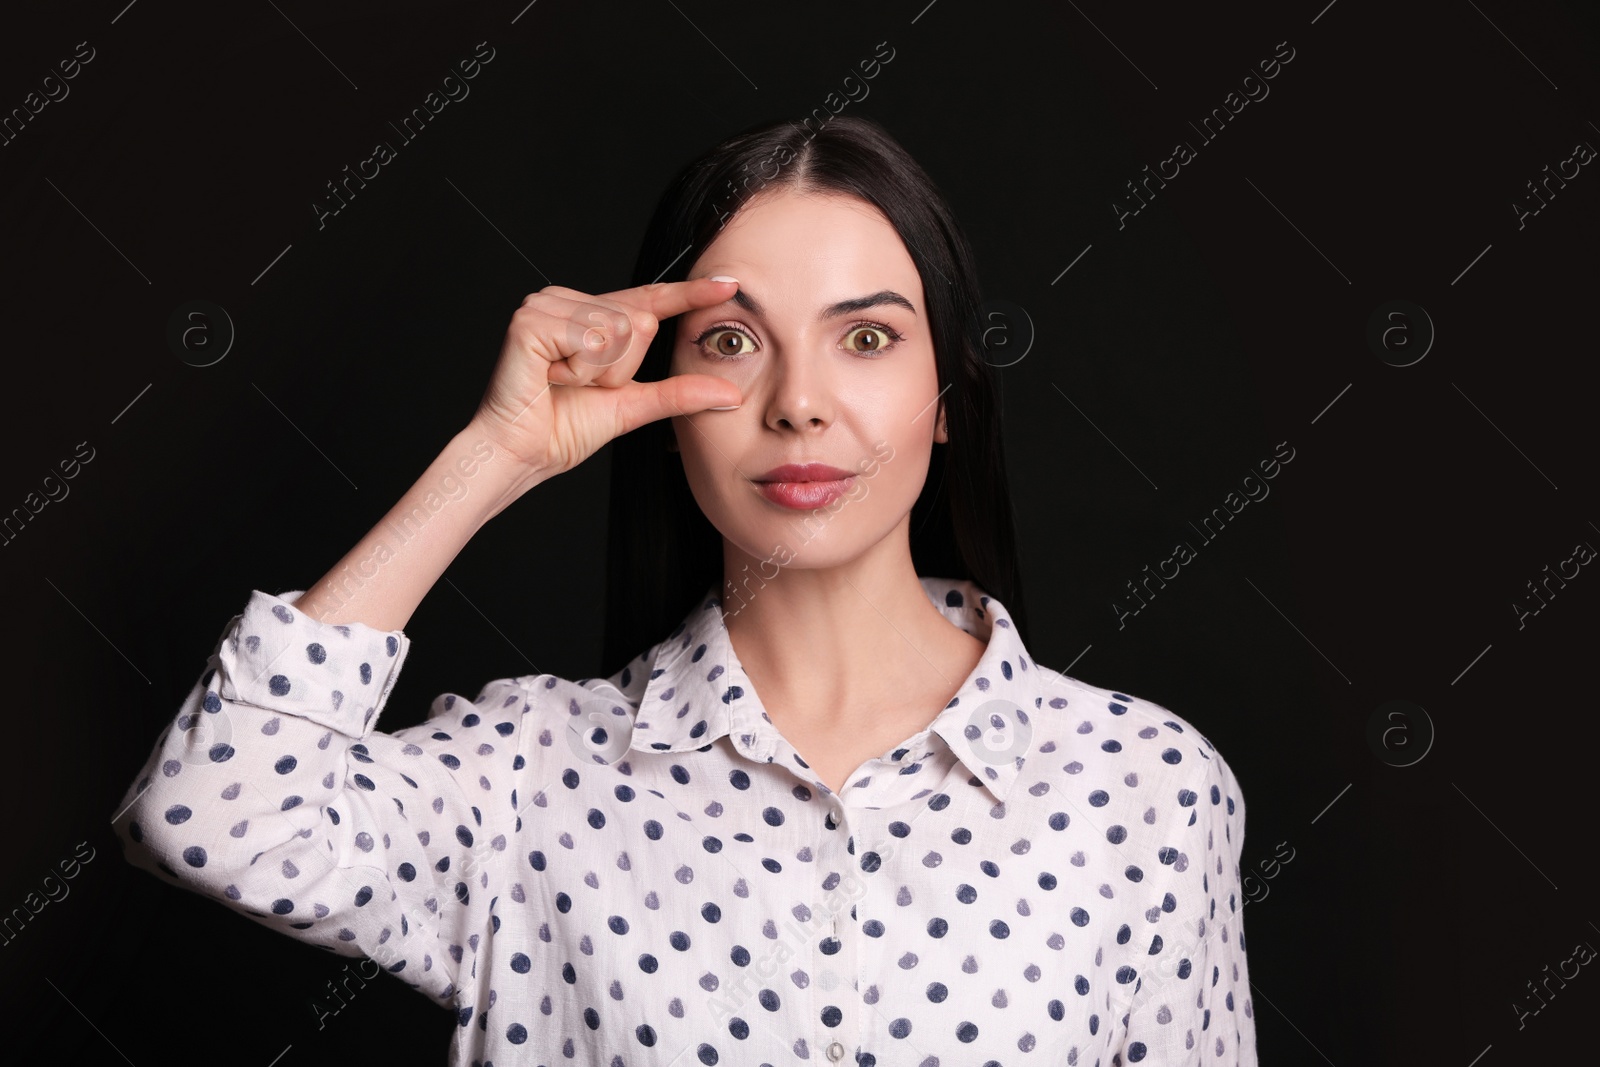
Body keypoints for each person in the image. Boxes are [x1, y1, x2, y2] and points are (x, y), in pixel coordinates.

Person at [112, 114, 1257, 1065]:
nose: (800, 402)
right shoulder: (530, 779)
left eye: (865, 338)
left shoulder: (1146, 791)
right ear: (655, 402)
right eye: (731, 339)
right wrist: (494, 456)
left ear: (948, 395)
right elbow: (211, 815)